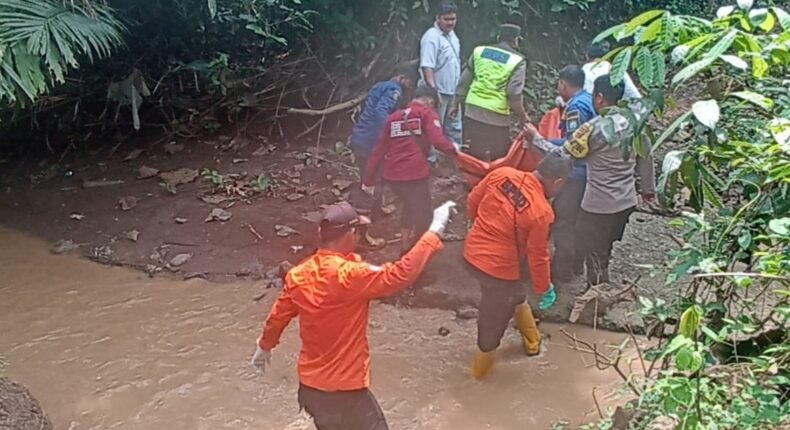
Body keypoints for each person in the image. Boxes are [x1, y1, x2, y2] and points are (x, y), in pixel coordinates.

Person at [250, 199, 456, 430]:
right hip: (346, 394)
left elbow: (277, 318)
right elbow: (401, 273)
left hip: (311, 391)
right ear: (350, 233)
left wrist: (264, 347)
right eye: (359, 231)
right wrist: (434, 231)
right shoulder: (349, 275)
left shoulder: (298, 275)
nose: (360, 237)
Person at [524, 75, 656, 287]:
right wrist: (648, 189)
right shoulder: (636, 125)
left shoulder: (595, 128)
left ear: (600, 97)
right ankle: (599, 283)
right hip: (626, 201)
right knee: (605, 247)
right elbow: (646, 157)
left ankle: (596, 293)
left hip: (598, 204)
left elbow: (562, 155)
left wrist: (535, 138)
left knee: (592, 249)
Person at [464, 153, 573, 380]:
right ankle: (478, 376)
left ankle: (533, 343)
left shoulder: (501, 174)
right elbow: (538, 256)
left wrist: (479, 230)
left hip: (471, 254)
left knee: (513, 294)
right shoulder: (541, 212)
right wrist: (544, 288)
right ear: (557, 181)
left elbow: (473, 201)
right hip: (498, 270)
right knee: (492, 324)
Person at [362, 85, 458, 255]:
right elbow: (438, 141)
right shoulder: (426, 114)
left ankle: (406, 245)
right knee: (424, 216)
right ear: (429, 100)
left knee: (409, 206)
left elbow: (378, 150)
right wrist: (455, 150)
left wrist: (368, 180)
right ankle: (416, 256)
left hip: (393, 175)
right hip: (414, 174)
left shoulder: (393, 118)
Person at [453, 23, 529, 162]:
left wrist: (455, 103)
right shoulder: (518, 60)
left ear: (498, 37)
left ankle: (471, 174)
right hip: (497, 114)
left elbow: (464, 81)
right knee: (499, 155)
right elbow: (514, 93)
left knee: (474, 151)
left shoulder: (479, 51)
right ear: (515, 40)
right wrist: (522, 116)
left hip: (472, 109)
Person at [350, 64, 420, 211]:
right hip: (371, 140)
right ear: (402, 78)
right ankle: (372, 210)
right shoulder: (394, 90)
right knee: (377, 175)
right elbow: (380, 110)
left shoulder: (379, 86)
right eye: (409, 83)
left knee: (366, 174)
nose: (409, 87)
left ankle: (363, 206)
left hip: (360, 136)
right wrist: (391, 131)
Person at [551, 65, 597, 282]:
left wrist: (542, 143)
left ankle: (563, 269)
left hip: (577, 172)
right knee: (579, 219)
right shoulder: (589, 99)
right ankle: (577, 264)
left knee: (563, 218)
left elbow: (572, 146)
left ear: (563, 84)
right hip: (591, 170)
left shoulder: (576, 107)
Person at [419, 1, 462, 160]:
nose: (450, 23)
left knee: (455, 126)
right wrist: (433, 92)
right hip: (438, 91)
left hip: (453, 90)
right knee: (434, 127)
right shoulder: (431, 37)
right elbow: (427, 65)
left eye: (453, 19)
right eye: (447, 19)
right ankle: (431, 160)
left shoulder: (452, 35)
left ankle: (457, 157)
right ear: (438, 18)